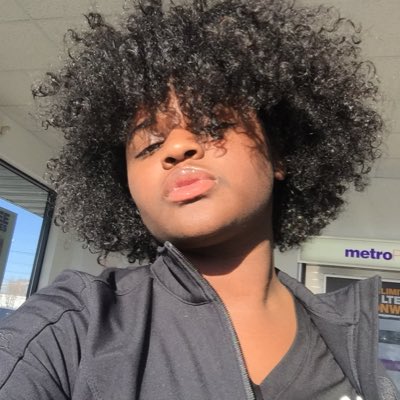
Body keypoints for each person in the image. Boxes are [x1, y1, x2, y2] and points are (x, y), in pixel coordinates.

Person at [0, 0, 398, 399]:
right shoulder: (73, 325)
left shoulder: (348, 342)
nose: (177, 148)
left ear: (278, 156)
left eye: (212, 125)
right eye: (150, 145)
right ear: (128, 189)